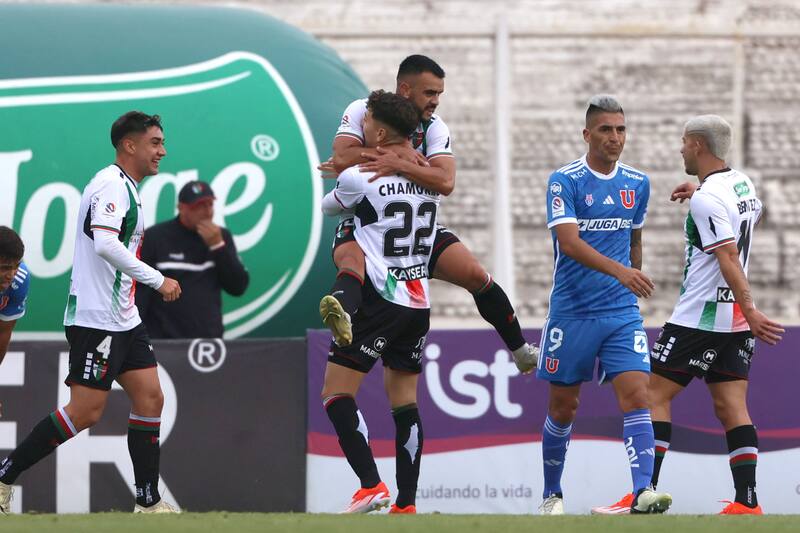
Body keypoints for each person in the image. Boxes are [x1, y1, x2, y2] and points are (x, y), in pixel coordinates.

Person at [600, 115, 784, 515]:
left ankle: (642, 493)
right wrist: (702, 194)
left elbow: (729, 255)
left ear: (698, 145)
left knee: (651, 396)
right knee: (731, 406)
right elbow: (748, 219)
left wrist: (752, 308)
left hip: (699, 318)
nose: (680, 149)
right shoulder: (741, 184)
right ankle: (747, 502)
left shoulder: (707, 198)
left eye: (684, 142)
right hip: (733, 319)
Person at [0, 111, 182, 514]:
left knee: (150, 398)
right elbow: (105, 244)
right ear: (128, 145)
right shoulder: (110, 185)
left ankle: (148, 505)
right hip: (96, 318)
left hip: (124, 317)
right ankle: (3, 477)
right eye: (154, 143)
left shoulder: (129, 188)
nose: (162, 151)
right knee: (85, 412)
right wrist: (156, 279)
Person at [319, 54, 538, 372]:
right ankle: (344, 323)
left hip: (415, 225)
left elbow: (446, 181)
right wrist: (400, 154)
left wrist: (397, 163)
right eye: (430, 93)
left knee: (475, 274)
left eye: (439, 94)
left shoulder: (435, 127)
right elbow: (341, 157)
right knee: (352, 262)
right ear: (405, 89)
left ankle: (520, 351)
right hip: (365, 219)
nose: (436, 102)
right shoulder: (363, 110)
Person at [536, 95, 671, 515]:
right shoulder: (566, 180)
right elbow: (570, 243)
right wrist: (622, 272)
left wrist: (632, 275)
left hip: (619, 313)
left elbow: (634, 237)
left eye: (621, 129)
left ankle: (642, 491)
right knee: (564, 407)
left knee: (637, 396)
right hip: (572, 311)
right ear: (587, 134)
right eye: (606, 130)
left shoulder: (637, 182)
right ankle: (551, 495)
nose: (615, 138)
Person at [319, 90, 438, 514]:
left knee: (336, 394)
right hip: (418, 302)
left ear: (380, 131)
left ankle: (370, 485)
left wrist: (341, 173)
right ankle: (406, 504)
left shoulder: (359, 176)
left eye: (367, 122)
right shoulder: (428, 177)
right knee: (405, 403)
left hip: (382, 297)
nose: (361, 129)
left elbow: (329, 207)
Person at [136, 180, 249, 338]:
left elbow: (238, 287)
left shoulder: (221, 237)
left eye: (210, 205)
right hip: (164, 343)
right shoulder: (155, 237)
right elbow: (140, 293)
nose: (207, 211)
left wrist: (218, 247)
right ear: (181, 208)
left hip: (208, 343)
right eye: (198, 206)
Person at [0, 227, 30, 417]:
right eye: (4, 268)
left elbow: (2, 335)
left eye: (16, 265)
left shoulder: (20, 280)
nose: (11, 274)